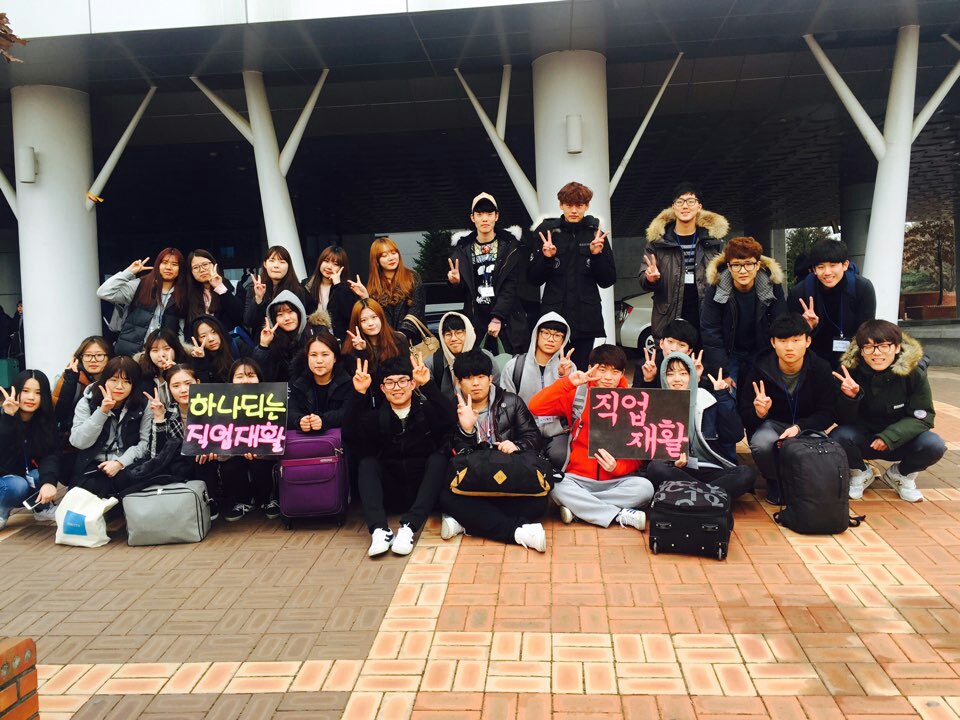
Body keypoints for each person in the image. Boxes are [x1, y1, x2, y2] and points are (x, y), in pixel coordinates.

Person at [527, 344, 653, 531]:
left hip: (615, 482)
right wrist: (568, 382)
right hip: (578, 479)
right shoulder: (578, 394)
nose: (608, 377)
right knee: (555, 486)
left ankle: (579, 509)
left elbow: (638, 454)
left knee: (645, 488)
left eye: (615, 372)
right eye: (602, 370)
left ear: (622, 374)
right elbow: (535, 406)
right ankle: (618, 514)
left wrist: (617, 467)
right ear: (590, 369)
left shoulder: (632, 403)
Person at [343, 354, 456, 558]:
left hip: (424, 492)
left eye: (402, 381)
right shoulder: (376, 417)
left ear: (412, 384)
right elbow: (349, 434)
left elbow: (451, 419)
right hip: (392, 492)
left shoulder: (426, 410)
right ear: (382, 388)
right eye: (390, 382)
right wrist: (359, 394)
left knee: (438, 460)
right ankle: (380, 531)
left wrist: (428, 385)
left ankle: (409, 528)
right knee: (367, 464)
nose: (397, 388)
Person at [439, 351, 548, 550]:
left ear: (490, 379)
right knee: (446, 498)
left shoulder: (512, 402)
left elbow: (533, 437)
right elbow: (450, 452)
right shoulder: (451, 409)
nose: (475, 383)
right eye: (468, 378)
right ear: (458, 382)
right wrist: (467, 431)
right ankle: (516, 533)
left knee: (539, 502)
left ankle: (467, 523)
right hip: (474, 482)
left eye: (481, 376)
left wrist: (517, 445)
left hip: (510, 478)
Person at [832, 320, 945, 502]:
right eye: (869, 347)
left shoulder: (914, 373)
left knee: (933, 444)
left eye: (884, 346)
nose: (877, 353)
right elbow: (840, 418)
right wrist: (851, 397)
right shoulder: (849, 372)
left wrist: (890, 436)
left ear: (897, 347)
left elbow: (923, 416)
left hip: (900, 440)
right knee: (839, 436)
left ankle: (901, 475)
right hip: (864, 438)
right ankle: (860, 473)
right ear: (861, 351)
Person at [737, 313, 836, 505]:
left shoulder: (820, 368)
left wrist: (800, 427)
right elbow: (744, 414)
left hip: (807, 426)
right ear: (773, 343)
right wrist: (759, 413)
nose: (789, 347)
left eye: (796, 340)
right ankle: (774, 481)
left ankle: (803, 483)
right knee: (762, 443)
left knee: (820, 447)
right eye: (783, 341)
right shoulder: (759, 368)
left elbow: (828, 412)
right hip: (772, 424)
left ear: (808, 341)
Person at [641, 353, 755, 500]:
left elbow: (736, 434)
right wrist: (672, 462)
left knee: (746, 473)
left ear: (692, 376)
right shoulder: (657, 406)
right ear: (663, 377)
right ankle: (710, 498)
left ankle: (694, 497)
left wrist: (723, 397)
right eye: (670, 374)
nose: (677, 379)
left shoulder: (707, 400)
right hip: (679, 471)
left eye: (683, 373)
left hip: (711, 469)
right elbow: (646, 450)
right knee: (656, 468)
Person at [529, 181, 616, 371]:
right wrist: (546, 259)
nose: (574, 210)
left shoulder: (596, 234)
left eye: (579, 205)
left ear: (587, 206)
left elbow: (608, 280)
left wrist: (597, 256)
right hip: (554, 318)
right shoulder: (546, 233)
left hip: (585, 319)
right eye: (569, 205)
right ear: (561, 205)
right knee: (550, 370)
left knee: (581, 371)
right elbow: (533, 279)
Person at [640, 182, 729, 339]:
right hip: (669, 318)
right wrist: (650, 279)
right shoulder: (658, 243)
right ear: (673, 207)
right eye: (680, 202)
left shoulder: (714, 242)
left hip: (705, 316)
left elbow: (726, 281)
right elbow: (643, 279)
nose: (685, 206)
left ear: (699, 207)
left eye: (691, 201)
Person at [701, 236, 787, 391]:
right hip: (729, 352)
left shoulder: (772, 286)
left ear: (758, 265)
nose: (743, 271)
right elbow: (710, 331)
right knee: (727, 393)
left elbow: (780, 324)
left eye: (749, 264)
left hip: (760, 350)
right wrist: (723, 371)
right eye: (736, 265)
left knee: (761, 393)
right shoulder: (716, 288)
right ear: (728, 266)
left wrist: (771, 363)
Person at [447, 193, 528, 353]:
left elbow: (510, 286)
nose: (485, 219)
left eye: (489, 214)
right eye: (479, 214)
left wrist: (497, 317)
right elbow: (461, 294)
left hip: (506, 322)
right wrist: (455, 283)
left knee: (506, 364)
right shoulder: (462, 249)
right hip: (475, 322)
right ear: (472, 218)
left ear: (496, 216)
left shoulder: (510, 246)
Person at [787, 238, 876, 368]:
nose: (827, 272)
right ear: (814, 269)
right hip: (812, 360)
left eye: (833, 265)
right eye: (821, 267)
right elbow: (789, 336)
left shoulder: (862, 288)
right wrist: (807, 327)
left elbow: (867, 330)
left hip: (852, 358)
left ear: (845, 265)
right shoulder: (800, 293)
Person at [70, 356, 151, 498]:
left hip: (128, 463)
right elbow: (79, 442)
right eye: (114, 380)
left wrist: (120, 463)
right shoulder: (87, 402)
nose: (119, 386)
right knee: (88, 489)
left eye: (127, 382)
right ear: (104, 380)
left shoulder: (143, 404)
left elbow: (145, 443)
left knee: (133, 482)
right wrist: (102, 412)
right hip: (94, 464)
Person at [499, 312, 575, 462]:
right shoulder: (514, 366)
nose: (551, 339)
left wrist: (563, 378)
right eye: (546, 333)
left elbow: (572, 406)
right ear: (536, 334)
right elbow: (506, 406)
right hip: (524, 433)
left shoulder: (569, 368)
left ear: (564, 340)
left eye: (557, 335)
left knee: (560, 457)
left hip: (557, 432)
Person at [98, 250, 189, 356]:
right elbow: (104, 292)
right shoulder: (141, 285)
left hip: (162, 356)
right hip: (131, 353)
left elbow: (181, 329)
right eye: (164, 262)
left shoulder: (184, 293)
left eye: (174, 264)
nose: (168, 267)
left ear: (180, 268)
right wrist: (128, 272)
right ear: (157, 265)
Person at [221, 359, 280, 522]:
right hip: (234, 457)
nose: (246, 381)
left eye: (251, 375)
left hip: (265, 458)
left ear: (259, 378)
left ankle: (269, 500)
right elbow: (218, 442)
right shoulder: (222, 405)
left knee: (259, 463)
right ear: (231, 381)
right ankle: (243, 501)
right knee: (230, 465)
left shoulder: (273, 401)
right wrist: (237, 451)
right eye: (239, 376)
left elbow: (278, 443)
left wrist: (258, 451)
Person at [0, 370, 60, 529]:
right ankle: (1, 512)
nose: (31, 397)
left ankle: (42, 508)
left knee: (40, 476)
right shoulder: (3, 418)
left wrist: (49, 482)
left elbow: (50, 454)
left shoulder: (44, 421)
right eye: (25, 391)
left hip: (25, 477)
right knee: (17, 484)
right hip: (7, 482)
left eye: (38, 393)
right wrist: (8, 419)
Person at [348, 237, 425, 343]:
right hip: (386, 343)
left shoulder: (412, 278)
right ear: (377, 260)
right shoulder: (373, 286)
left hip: (413, 342)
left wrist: (401, 336)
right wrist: (366, 297)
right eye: (384, 255)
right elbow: (377, 318)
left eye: (394, 253)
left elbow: (416, 311)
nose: (391, 258)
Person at [427, 312, 499, 402]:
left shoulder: (485, 357)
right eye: (448, 334)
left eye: (459, 333)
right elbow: (426, 400)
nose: (453, 339)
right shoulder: (432, 363)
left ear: (469, 333)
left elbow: (497, 390)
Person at [341, 299, 410, 393]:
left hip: (395, 394)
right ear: (357, 324)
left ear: (381, 317)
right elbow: (362, 382)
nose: (370, 323)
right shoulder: (350, 348)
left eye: (374, 317)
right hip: (367, 398)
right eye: (363, 320)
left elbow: (405, 374)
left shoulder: (399, 340)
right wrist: (361, 352)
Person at [289, 332, 352, 434]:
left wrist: (324, 420)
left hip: (339, 441)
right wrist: (299, 420)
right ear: (307, 357)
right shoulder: (297, 383)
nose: (319, 361)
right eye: (313, 355)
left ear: (335, 358)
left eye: (325, 354)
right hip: (304, 441)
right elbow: (289, 411)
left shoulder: (348, 382)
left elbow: (349, 412)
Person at [243, 245, 313, 332]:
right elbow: (248, 322)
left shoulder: (298, 290)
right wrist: (258, 298)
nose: (276, 266)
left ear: (288, 266)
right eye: (271, 261)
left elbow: (303, 320)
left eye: (282, 262)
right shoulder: (253, 288)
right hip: (264, 337)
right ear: (265, 264)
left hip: (290, 338)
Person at [53, 336, 112, 435]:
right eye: (88, 355)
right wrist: (70, 379)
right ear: (80, 357)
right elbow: (58, 414)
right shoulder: (68, 377)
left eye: (99, 355)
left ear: (109, 357)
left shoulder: (116, 380)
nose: (93, 360)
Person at [252, 290, 310, 382]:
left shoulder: (314, 333)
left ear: (299, 312)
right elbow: (262, 376)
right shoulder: (271, 338)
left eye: (290, 312)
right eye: (280, 315)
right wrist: (263, 346)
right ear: (274, 319)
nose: (286, 318)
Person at [631, 318, 702, 390]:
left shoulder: (696, 368)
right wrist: (649, 380)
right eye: (670, 342)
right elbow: (634, 395)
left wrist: (696, 379)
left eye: (681, 345)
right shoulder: (645, 366)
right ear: (661, 343)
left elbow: (703, 395)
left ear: (689, 351)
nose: (674, 349)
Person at [303, 245, 354, 342]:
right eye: (326, 261)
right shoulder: (306, 285)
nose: (329, 267)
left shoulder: (346, 288)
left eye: (335, 264)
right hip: (313, 340)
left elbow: (348, 314)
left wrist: (338, 285)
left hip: (339, 341)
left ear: (342, 268)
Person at [185, 250, 245, 328]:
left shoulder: (235, 285)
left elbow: (240, 317)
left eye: (205, 264)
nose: (202, 270)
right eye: (195, 267)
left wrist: (219, 288)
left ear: (214, 265)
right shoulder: (187, 294)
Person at [139, 328, 188, 406]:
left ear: (176, 349)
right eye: (155, 350)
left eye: (167, 349)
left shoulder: (189, 368)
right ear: (148, 353)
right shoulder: (140, 373)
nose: (161, 355)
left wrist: (175, 372)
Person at [188, 315, 237, 383]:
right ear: (197, 340)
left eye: (214, 332)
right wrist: (200, 360)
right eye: (203, 336)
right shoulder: (194, 358)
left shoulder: (237, 347)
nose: (211, 339)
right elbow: (202, 386)